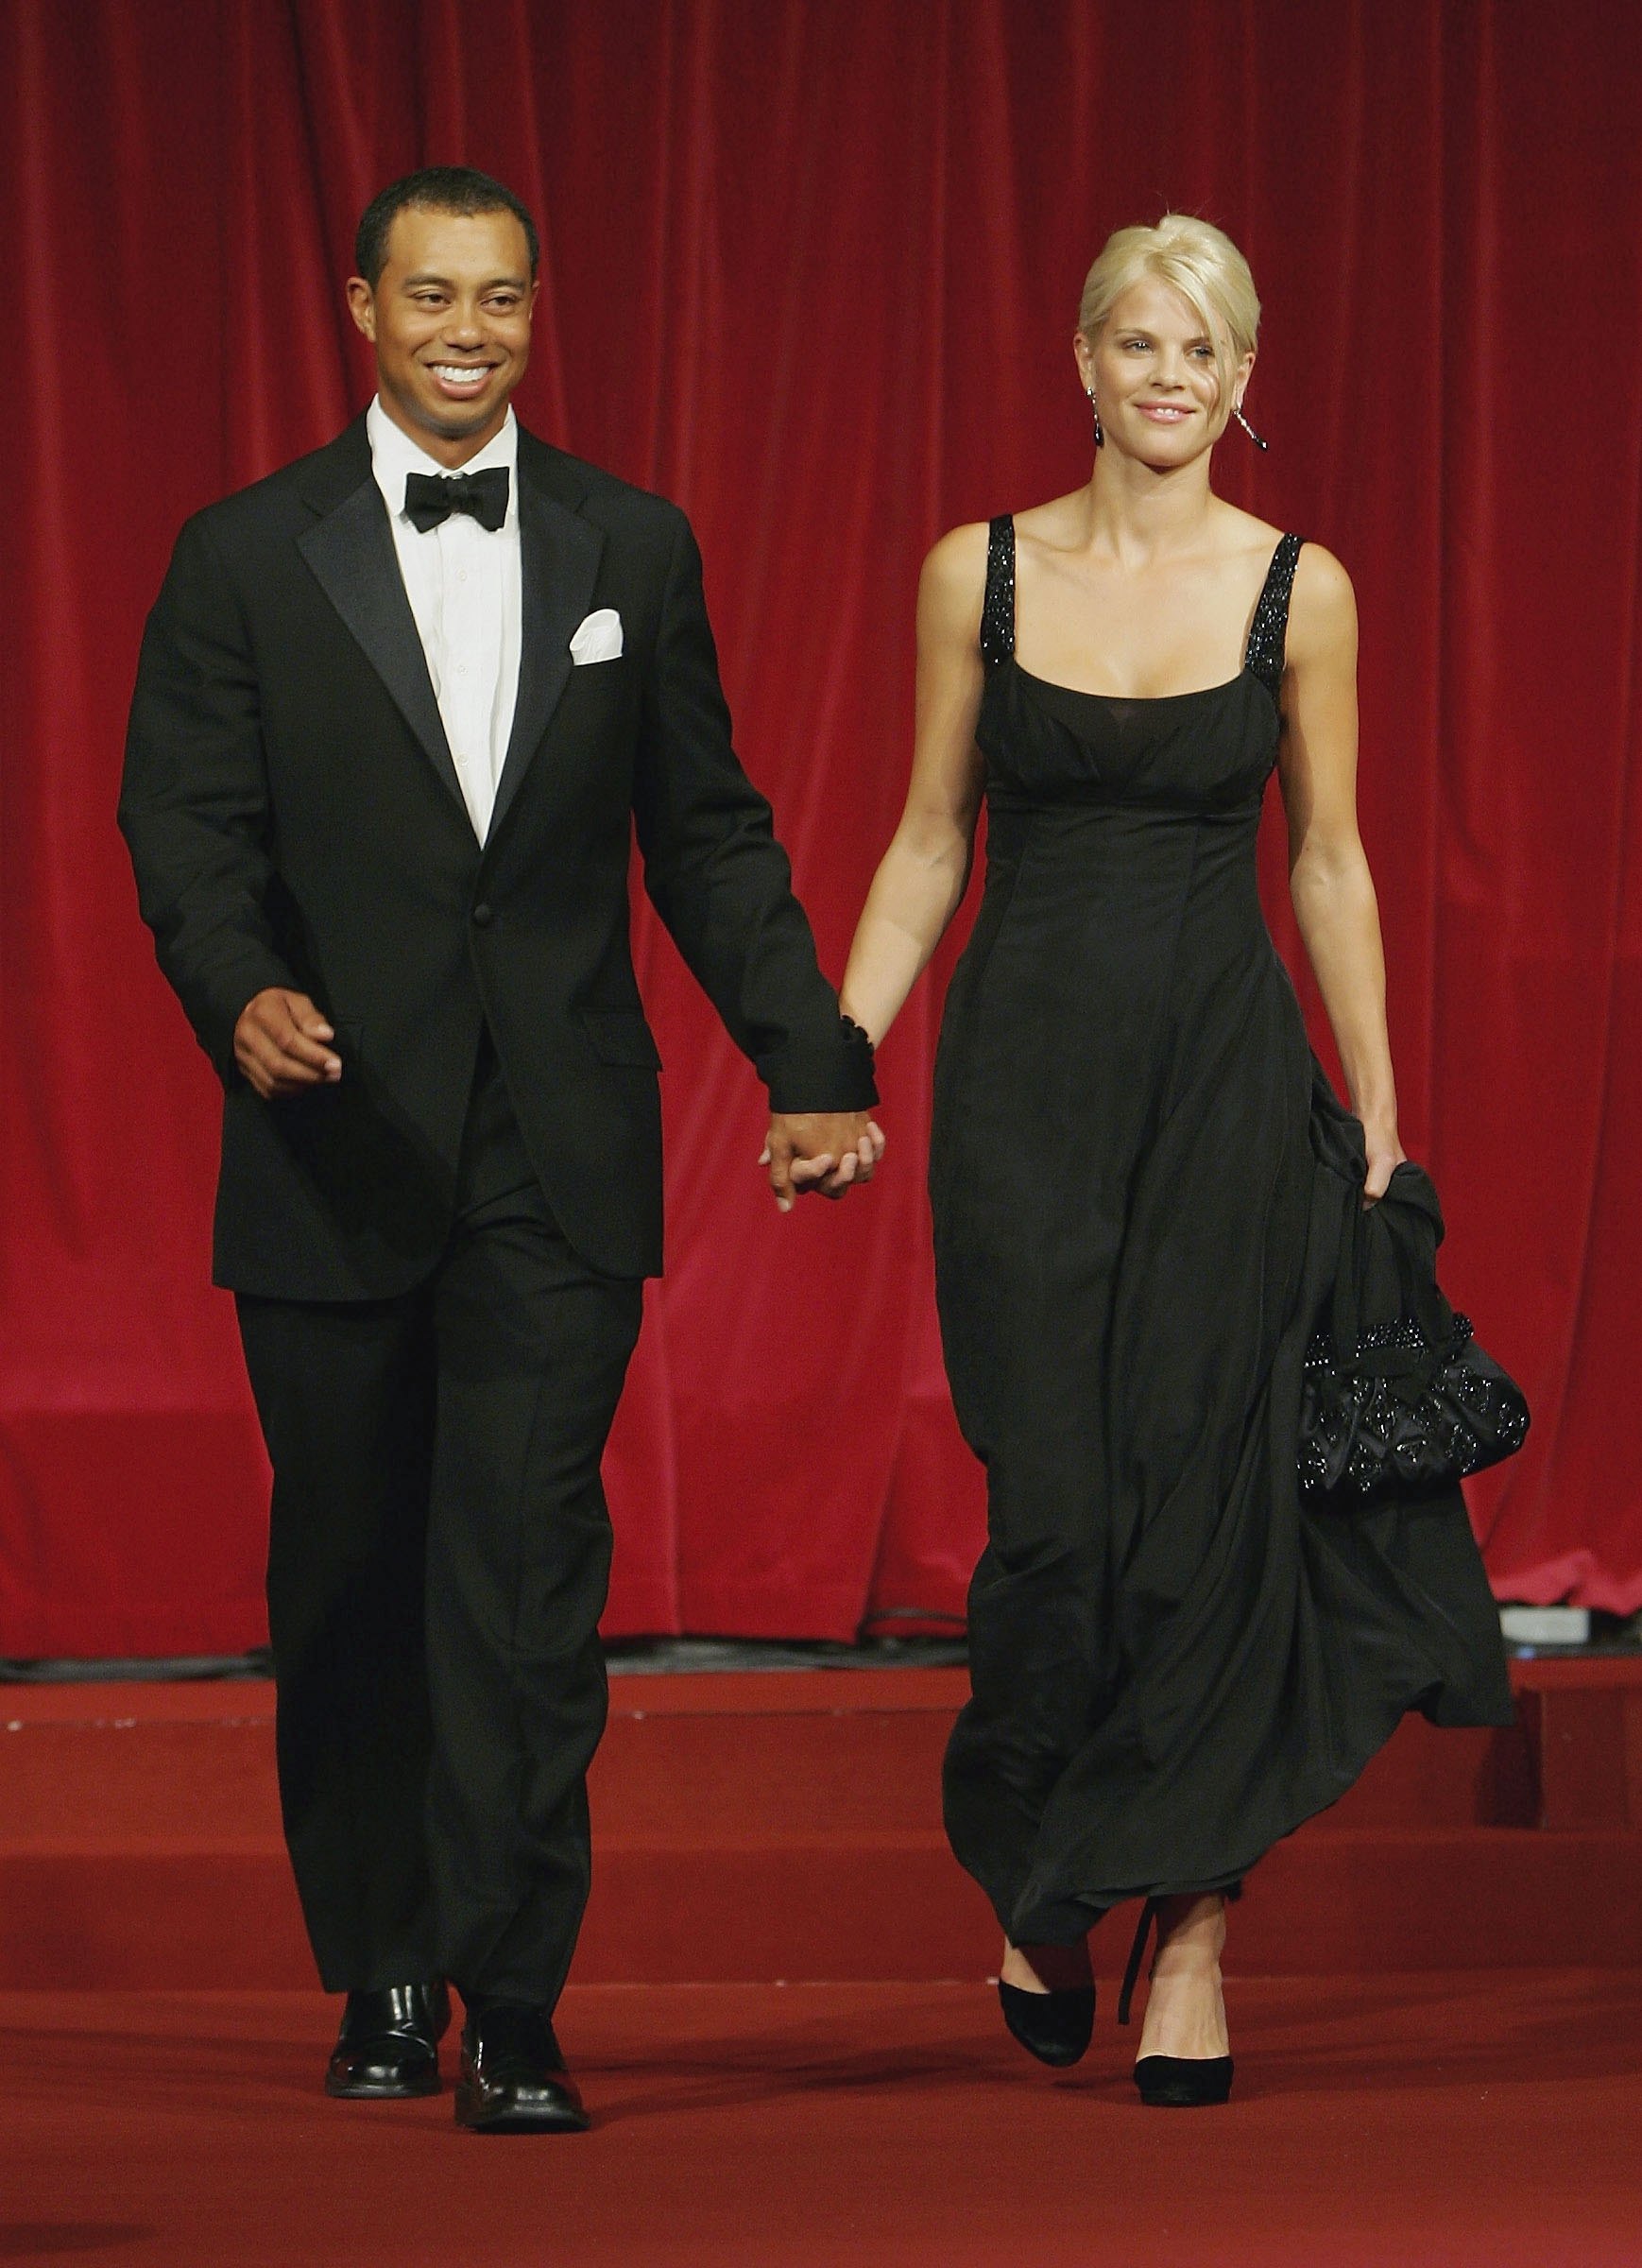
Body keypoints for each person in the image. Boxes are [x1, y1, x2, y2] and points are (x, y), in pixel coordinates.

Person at [120, 166, 881, 2133]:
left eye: (503, 301)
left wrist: (811, 1053)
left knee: (526, 1577)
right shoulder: (240, 556)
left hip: (558, 1155)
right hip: (329, 1146)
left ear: (538, 316)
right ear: (360, 306)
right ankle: (378, 1967)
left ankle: (514, 1997)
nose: (468, 331)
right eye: (432, 295)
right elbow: (183, 830)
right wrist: (237, 993)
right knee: (355, 1575)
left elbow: (705, 833)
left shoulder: (634, 538)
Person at [839, 215, 1511, 2106]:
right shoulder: (972, 571)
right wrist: (830, 1061)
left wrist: (1375, 1119)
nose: (1162, 376)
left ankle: (1195, 1931)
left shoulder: (1300, 589)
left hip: (1223, 1089)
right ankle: (1046, 1872)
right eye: (1133, 342)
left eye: (1197, 351)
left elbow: (1328, 862)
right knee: (1053, 1523)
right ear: (1078, 359)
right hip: (1022, 1094)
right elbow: (918, 844)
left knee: (1210, 1526)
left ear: (1238, 381)